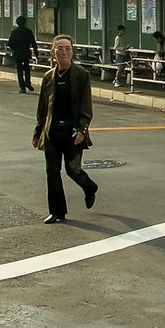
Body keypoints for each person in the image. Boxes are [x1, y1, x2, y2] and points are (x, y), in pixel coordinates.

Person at [32, 34, 99, 225]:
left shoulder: (81, 75)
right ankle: (57, 211)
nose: (63, 52)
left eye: (67, 48)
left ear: (72, 51)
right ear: (53, 53)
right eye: (59, 48)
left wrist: (82, 129)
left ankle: (90, 187)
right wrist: (38, 132)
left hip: (72, 131)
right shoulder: (47, 77)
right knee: (52, 172)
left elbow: (86, 107)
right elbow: (42, 108)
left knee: (72, 169)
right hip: (52, 131)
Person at [8, 15, 39, 94]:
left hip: (17, 53)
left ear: (17, 23)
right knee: (27, 68)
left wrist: (14, 49)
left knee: (19, 70)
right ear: (25, 22)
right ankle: (28, 83)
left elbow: (10, 43)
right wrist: (36, 53)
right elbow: (33, 43)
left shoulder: (14, 32)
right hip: (26, 53)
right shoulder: (28, 31)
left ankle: (22, 87)